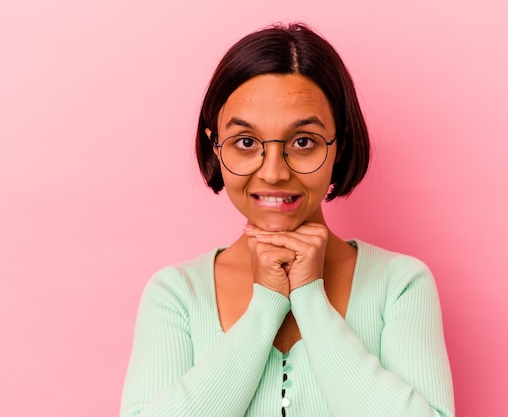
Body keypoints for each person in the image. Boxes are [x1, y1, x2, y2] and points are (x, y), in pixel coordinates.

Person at [120, 23, 454, 417]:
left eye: (303, 142)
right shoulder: (176, 293)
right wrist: (266, 306)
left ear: (339, 147)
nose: (274, 172)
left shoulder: (400, 285)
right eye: (246, 142)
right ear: (215, 146)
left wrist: (310, 299)